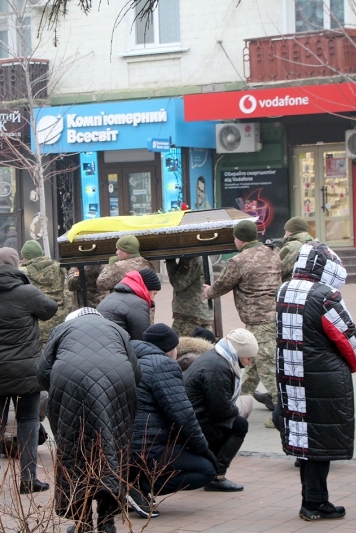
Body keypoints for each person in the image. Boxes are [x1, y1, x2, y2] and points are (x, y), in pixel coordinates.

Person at [275, 243, 356, 521]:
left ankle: (313, 500)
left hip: (291, 375)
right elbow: (347, 338)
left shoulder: (284, 289)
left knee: (305, 441)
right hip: (322, 379)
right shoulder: (325, 296)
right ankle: (313, 502)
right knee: (320, 442)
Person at [38, 308, 141, 533]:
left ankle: (82, 522)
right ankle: (107, 521)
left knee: (73, 452)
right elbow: (136, 372)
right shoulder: (117, 330)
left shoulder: (62, 329)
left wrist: (59, 392)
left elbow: (42, 372)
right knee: (113, 449)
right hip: (118, 383)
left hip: (69, 381)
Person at [0, 247, 57, 495]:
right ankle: (28, 479)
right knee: (28, 420)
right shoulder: (27, 292)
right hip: (24, 369)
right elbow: (50, 308)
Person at [129, 324, 217, 519]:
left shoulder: (130, 358)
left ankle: (133, 484)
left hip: (123, 449)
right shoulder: (164, 366)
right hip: (146, 450)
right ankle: (136, 486)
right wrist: (204, 449)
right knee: (207, 469)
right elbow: (183, 415)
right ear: (170, 349)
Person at [203, 219, 281, 426]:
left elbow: (223, 285)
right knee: (253, 359)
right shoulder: (272, 253)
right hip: (274, 316)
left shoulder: (239, 260)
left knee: (266, 365)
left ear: (238, 239)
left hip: (258, 319)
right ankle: (241, 397)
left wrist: (208, 292)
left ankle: (283, 413)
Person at [184, 328, 258, 492]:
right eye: (248, 358)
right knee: (239, 426)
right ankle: (217, 475)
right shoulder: (219, 368)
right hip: (197, 418)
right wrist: (235, 411)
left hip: (195, 413)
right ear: (239, 354)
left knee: (234, 422)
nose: (249, 363)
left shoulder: (218, 356)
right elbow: (221, 409)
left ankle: (210, 469)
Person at [20, 239, 71, 347]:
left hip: (36, 322)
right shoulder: (59, 267)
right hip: (59, 319)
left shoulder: (23, 273)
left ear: (25, 257)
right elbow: (68, 293)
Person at [97, 269, 160, 340]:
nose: (153, 299)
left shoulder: (109, 298)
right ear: (146, 289)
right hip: (115, 347)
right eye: (154, 293)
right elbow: (141, 341)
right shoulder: (138, 304)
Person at [166, 256, 213, 337]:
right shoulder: (200, 256)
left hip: (190, 314)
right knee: (203, 346)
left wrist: (170, 262)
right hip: (200, 311)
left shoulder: (192, 259)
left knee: (180, 345)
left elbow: (178, 284)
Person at [278, 216, 317, 283]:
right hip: (311, 285)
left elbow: (277, 269)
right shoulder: (314, 243)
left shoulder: (292, 246)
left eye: (286, 230)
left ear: (290, 231)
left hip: (292, 287)